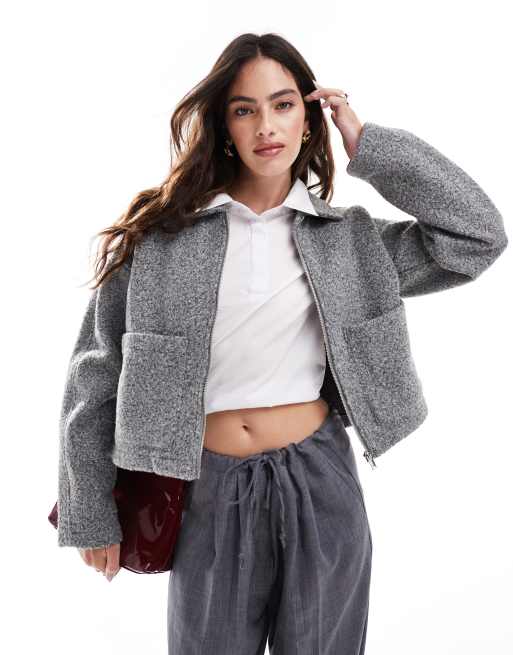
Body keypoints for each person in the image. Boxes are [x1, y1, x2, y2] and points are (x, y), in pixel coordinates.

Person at [56, 32, 507, 655]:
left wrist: (369, 146)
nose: (266, 126)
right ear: (225, 126)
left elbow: (479, 237)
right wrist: (88, 509)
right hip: (207, 489)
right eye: (245, 109)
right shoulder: (159, 242)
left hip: (319, 480)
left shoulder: (350, 241)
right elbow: (95, 374)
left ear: (310, 117)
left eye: (284, 104)